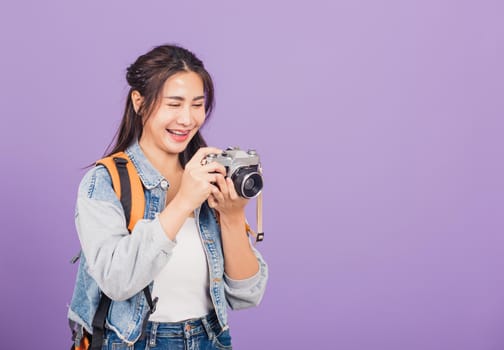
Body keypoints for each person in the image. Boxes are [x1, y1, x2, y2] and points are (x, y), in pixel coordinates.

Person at [68, 44, 268, 350]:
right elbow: (117, 281)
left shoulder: (212, 176)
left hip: (210, 339)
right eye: (173, 104)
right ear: (139, 102)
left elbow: (247, 294)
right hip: (133, 342)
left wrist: (231, 215)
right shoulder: (105, 182)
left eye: (197, 105)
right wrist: (184, 201)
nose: (187, 119)